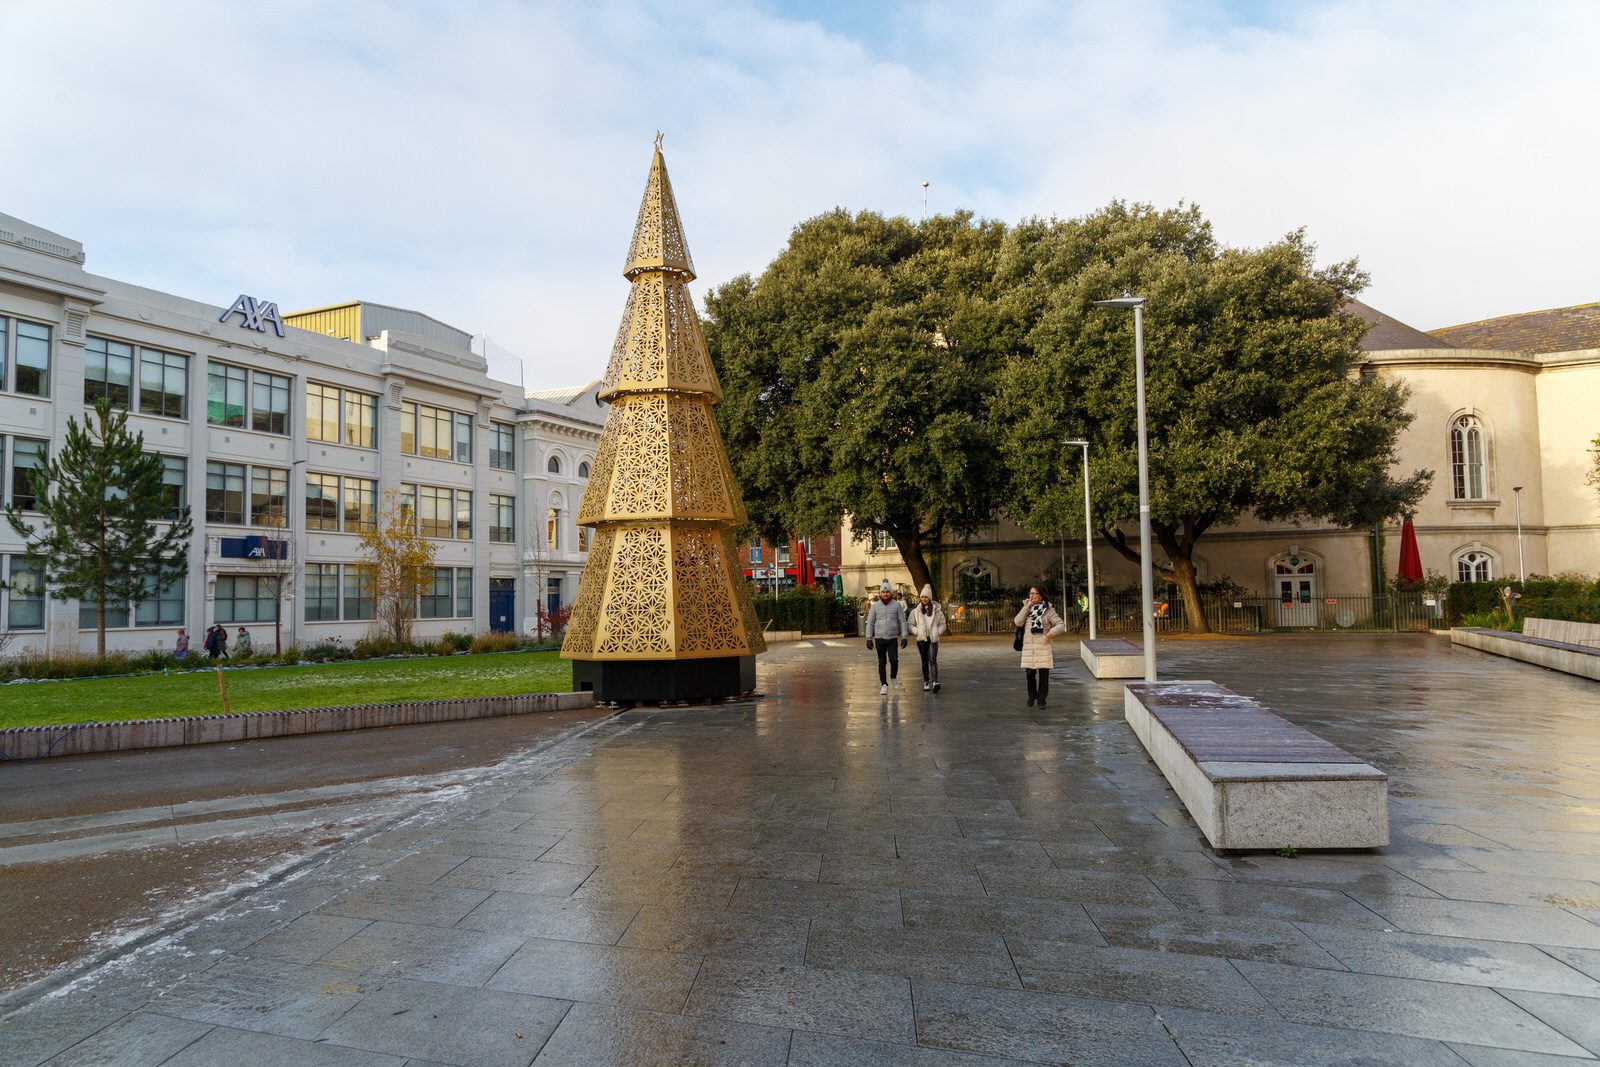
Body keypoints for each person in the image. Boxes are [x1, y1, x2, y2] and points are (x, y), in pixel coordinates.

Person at [1014, 585, 1066, 708]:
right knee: (1029, 674)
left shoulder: (1048, 610)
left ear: (1041, 595)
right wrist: (1027, 607)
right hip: (1029, 647)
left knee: (1043, 675)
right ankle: (1031, 697)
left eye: (1035, 594)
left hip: (1043, 645)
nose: (1032, 596)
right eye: (1031, 593)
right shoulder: (1026, 607)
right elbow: (1017, 622)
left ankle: (1041, 699)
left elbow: (1061, 625)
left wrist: (1050, 633)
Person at [864, 579, 908, 694]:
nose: (885, 594)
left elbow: (902, 621)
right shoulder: (875, 606)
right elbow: (870, 622)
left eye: (887, 592)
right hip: (879, 638)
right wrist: (869, 638)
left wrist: (904, 636)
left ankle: (893, 677)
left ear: (891, 593)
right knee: (882, 662)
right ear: (880, 594)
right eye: (883, 592)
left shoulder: (897, 605)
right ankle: (883, 683)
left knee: (894, 660)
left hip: (892, 638)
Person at [908, 584, 947, 692]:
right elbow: (910, 624)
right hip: (922, 639)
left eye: (926, 597)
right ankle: (926, 681)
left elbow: (943, 624)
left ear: (930, 598)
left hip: (933, 639)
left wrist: (937, 632)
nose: (924, 599)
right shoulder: (915, 611)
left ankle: (935, 682)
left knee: (933, 660)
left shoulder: (937, 611)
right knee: (924, 660)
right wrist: (918, 632)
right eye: (922, 597)